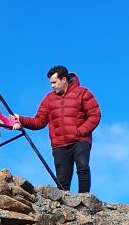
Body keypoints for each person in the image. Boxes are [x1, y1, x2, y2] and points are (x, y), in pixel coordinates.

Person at [15, 65, 101, 193]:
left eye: (54, 82)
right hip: (59, 144)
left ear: (64, 79)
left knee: (82, 168)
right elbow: (39, 121)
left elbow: (95, 115)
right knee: (62, 178)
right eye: (51, 83)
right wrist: (21, 120)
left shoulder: (83, 93)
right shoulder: (48, 99)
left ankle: (85, 199)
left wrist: (80, 131)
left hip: (80, 140)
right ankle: (63, 206)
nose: (52, 86)